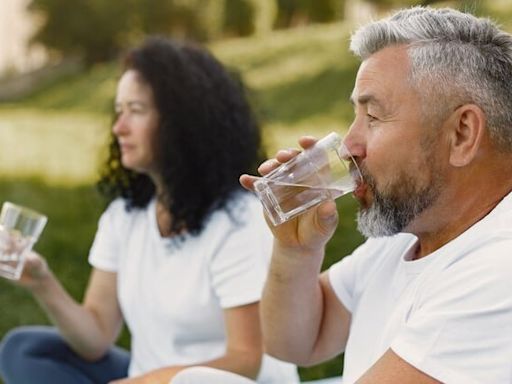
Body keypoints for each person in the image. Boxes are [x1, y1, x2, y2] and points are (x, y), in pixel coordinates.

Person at [0, 37, 299, 384]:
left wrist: (139, 383)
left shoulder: (238, 220)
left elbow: (246, 360)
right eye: (119, 110)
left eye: (136, 111)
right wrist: (42, 282)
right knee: (25, 349)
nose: (119, 127)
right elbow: (96, 339)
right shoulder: (124, 216)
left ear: (181, 122)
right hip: (148, 378)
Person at [240, 6, 512, 384]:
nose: (349, 144)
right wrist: (296, 252)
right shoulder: (415, 229)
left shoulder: (498, 271)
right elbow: (296, 343)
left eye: (373, 117)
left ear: (462, 134)